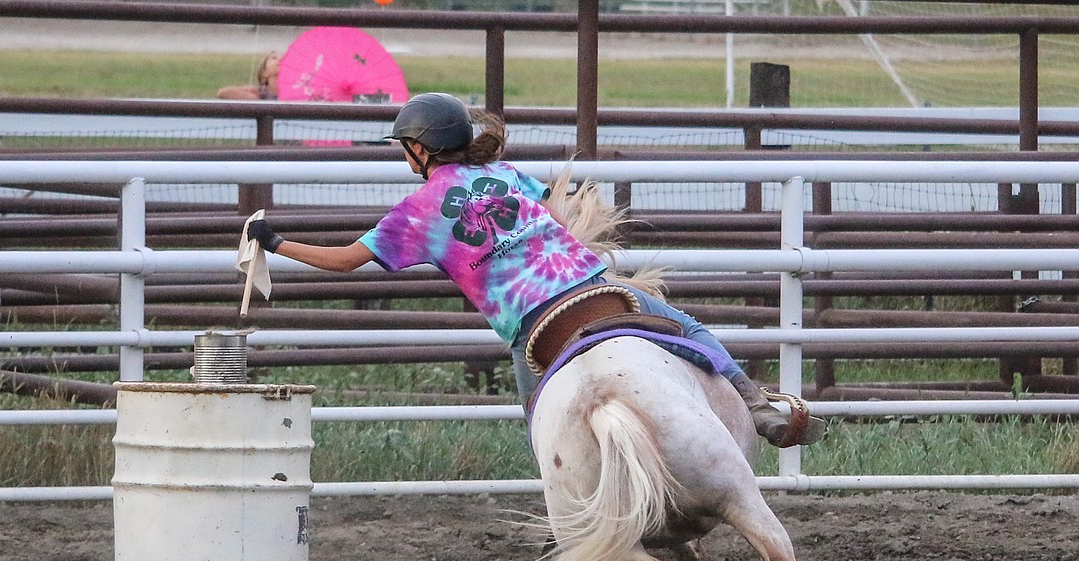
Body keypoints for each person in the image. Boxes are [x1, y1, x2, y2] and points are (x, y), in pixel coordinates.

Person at [246, 92, 825, 447]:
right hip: (595, 287)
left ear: (420, 149)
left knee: (541, 417)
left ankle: (565, 502)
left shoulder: (417, 213)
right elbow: (556, 200)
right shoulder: (507, 176)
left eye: (405, 146)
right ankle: (754, 404)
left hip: (531, 323)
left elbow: (345, 262)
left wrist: (275, 241)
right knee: (689, 329)